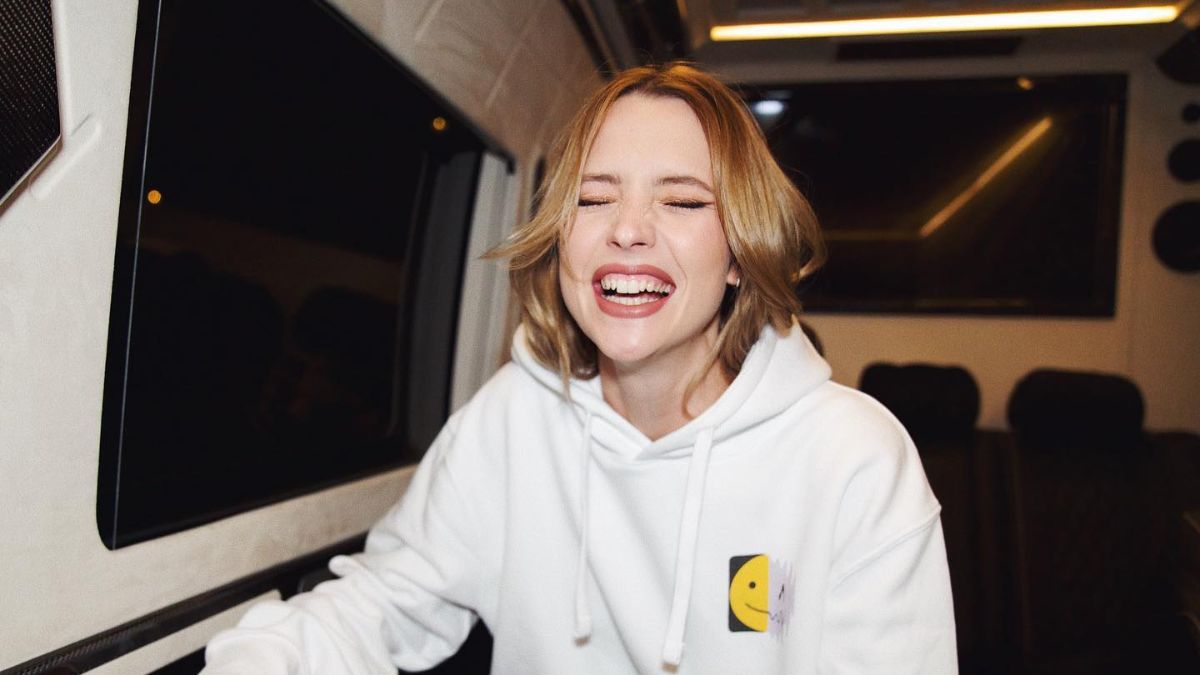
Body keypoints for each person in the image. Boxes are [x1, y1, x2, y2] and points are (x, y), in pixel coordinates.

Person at [202, 62, 956, 674]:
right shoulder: (515, 416)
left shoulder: (852, 458)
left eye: (682, 202)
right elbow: (382, 601)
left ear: (739, 255)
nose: (627, 230)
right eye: (593, 199)